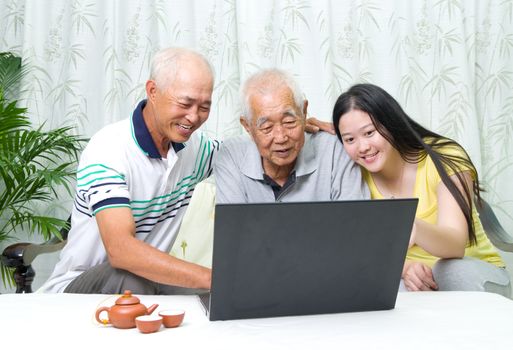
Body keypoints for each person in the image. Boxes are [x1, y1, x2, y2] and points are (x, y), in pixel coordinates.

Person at [42, 48, 332, 295]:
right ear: (153, 91)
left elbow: (248, 151)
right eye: (185, 103)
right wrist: (217, 279)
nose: (194, 117)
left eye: (204, 106)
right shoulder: (109, 149)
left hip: (151, 285)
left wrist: (294, 125)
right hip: (84, 287)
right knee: (133, 277)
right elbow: (121, 251)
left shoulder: (199, 149)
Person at [332, 83, 511, 297]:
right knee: (384, 290)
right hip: (414, 284)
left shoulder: (443, 156)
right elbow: (364, 253)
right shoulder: (354, 178)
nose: (362, 147)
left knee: (453, 271)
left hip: (473, 272)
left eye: (369, 133)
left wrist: (413, 225)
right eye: (350, 139)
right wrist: (406, 269)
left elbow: (455, 245)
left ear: (391, 123)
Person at [214, 68, 369, 204]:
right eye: (267, 127)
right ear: (247, 126)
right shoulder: (231, 155)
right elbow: (234, 232)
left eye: (289, 121)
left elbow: (354, 225)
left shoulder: (334, 149)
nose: (281, 137)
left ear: (304, 111)